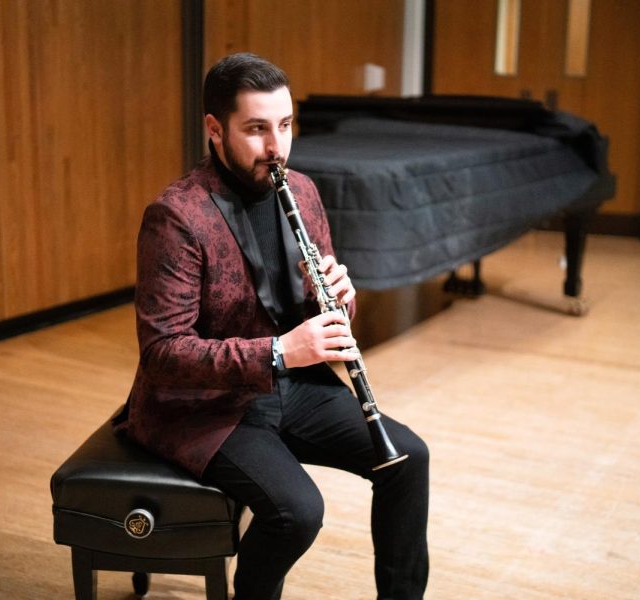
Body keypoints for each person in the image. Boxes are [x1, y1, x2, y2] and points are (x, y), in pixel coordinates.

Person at [114, 52, 429, 600]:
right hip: (203, 406)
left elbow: (323, 325)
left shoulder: (302, 192)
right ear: (215, 130)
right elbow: (163, 353)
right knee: (298, 511)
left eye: (285, 126)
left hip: (291, 385)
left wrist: (338, 304)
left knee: (408, 461)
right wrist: (280, 352)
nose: (276, 146)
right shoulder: (177, 217)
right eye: (256, 129)